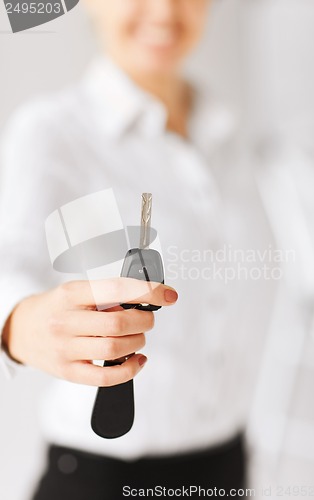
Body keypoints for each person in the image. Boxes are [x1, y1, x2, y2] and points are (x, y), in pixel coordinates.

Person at [0, 0, 272, 498]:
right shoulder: (52, 131)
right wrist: (19, 323)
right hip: (103, 477)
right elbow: (5, 266)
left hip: (226, 468)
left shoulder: (233, 134)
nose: (166, 11)